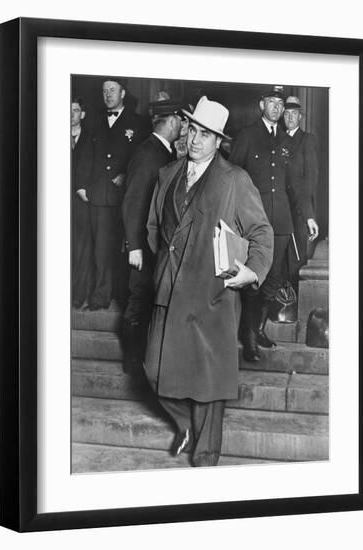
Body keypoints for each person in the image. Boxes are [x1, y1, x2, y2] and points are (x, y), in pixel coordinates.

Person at [144, 96, 273, 467]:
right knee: (153, 371)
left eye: (206, 134)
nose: (196, 140)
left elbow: (262, 233)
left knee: (207, 389)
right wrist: (170, 264)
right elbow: (155, 228)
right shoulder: (167, 174)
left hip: (212, 298)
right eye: (193, 130)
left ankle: (206, 466)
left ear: (219, 141)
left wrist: (251, 271)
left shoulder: (235, 180)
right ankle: (184, 425)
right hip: (169, 291)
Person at [229, 87, 317, 361]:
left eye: (281, 103)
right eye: (272, 102)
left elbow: (296, 185)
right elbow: (231, 176)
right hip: (252, 220)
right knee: (253, 278)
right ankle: (249, 339)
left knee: (274, 280)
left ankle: (257, 328)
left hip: (281, 221)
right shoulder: (247, 136)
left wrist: (309, 214)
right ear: (261, 104)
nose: (277, 108)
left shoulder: (287, 141)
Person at [121, 100, 184, 372]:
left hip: (155, 243)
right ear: (171, 122)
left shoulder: (163, 151)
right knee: (139, 301)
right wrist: (134, 245)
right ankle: (132, 361)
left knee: (148, 300)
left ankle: (143, 357)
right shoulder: (149, 154)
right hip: (143, 245)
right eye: (181, 121)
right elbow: (133, 202)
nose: (183, 126)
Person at [83, 77, 145, 311]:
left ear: (123, 93)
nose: (107, 94)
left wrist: (127, 175)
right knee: (100, 249)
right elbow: (85, 156)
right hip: (98, 195)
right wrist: (82, 186)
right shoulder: (95, 122)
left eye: (112, 90)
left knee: (125, 248)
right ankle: (100, 296)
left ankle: (122, 295)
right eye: (104, 91)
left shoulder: (138, 123)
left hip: (125, 198)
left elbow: (141, 158)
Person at [282, 96, 319, 284]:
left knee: (296, 263)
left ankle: (293, 308)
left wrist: (309, 214)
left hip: (298, 211)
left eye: (294, 114)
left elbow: (310, 181)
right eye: (286, 114)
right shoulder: (277, 140)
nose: (289, 118)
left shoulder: (307, 140)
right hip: (279, 210)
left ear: (300, 117)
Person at [71, 97, 92, 308]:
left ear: (82, 114)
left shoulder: (92, 137)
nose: (70, 114)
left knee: (82, 249)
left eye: (75, 110)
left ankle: (78, 294)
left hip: (82, 202)